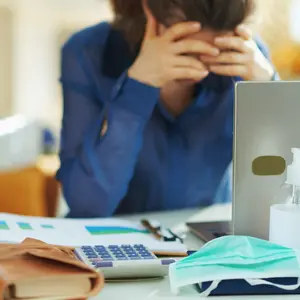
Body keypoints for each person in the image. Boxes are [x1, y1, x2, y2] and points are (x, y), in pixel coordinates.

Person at [57, 0, 279, 218]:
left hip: (211, 245)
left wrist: (271, 92)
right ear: (149, 10)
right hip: (117, 243)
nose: (200, 66)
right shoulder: (88, 52)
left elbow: (282, 193)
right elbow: (87, 206)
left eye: (215, 50)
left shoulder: (247, 59)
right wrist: (137, 87)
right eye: (186, 48)